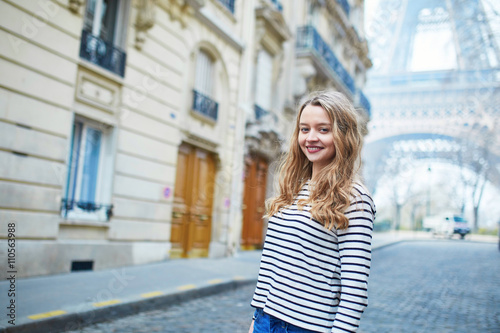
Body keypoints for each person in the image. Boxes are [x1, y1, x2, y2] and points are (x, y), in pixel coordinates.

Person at [248, 90, 376, 333]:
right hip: (266, 320)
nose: (311, 137)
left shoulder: (354, 197)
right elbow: (270, 265)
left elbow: (354, 289)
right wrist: (256, 321)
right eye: (304, 129)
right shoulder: (293, 187)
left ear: (343, 134)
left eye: (323, 129)